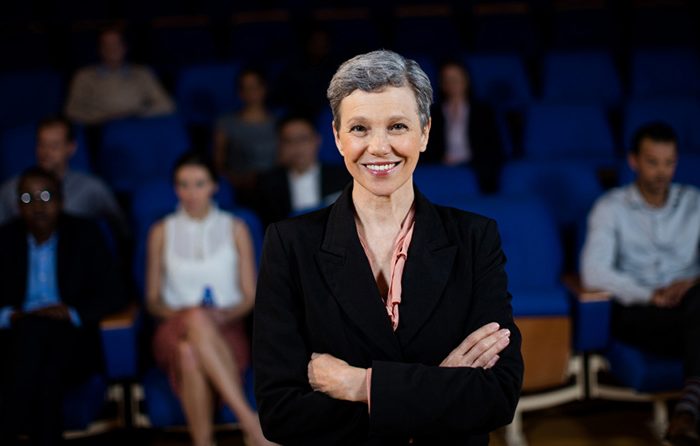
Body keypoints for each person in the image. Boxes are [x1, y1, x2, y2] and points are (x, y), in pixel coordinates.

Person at [253, 50, 523, 445]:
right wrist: (438, 387)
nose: (379, 147)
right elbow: (280, 413)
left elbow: (497, 396)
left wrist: (361, 384)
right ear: (337, 137)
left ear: (425, 132)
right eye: (360, 128)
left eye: (397, 126)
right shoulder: (288, 244)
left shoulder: (475, 238)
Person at [581, 121, 700, 445]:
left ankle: (688, 412)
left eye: (669, 162)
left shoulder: (694, 202)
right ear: (633, 161)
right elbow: (594, 272)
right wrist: (651, 295)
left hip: (692, 306)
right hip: (641, 312)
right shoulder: (611, 207)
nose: (662, 172)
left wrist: (691, 283)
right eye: (652, 162)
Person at [145, 151, 275, 446]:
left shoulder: (236, 228)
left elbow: (250, 295)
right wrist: (191, 315)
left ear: (214, 186)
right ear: (175, 188)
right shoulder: (161, 231)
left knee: (189, 352)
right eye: (183, 184)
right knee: (193, 321)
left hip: (226, 328)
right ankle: (250, 423)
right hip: (172, 328)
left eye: (199, 184)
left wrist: (220, 316)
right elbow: (152, 300)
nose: (191, 193)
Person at [0, 167, 126, 445]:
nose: (38, 206)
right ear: (17, 206)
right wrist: (9, 315)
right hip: (15, 339)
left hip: (71, 338)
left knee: (40, 347)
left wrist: (71, 312)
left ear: (61, 200)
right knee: (41, 360)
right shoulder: (5, 239)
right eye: (27, 198)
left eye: (46, 196)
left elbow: (115, 292)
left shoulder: (85, 234)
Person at [0, 115, 129, 240]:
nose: (46, 152)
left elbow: (122, 229)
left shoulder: (91, 188)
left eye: (54, 145)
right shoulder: (11, 190)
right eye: (42, 144)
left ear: (71, 148)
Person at [254, 113, 351, 227]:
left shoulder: (341, 177)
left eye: (303, 139)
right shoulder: (268, 184)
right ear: (280, 145)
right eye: (289, 141)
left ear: (317, 140)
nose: (297, 146)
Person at [64, 25, 175, 125]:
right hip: (100, 128)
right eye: (106, 44)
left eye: (116, 43)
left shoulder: (142, 73)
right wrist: (103, 118)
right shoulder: (84, 76)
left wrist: (135, 114)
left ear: (125, 47)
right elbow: (72, 111)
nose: (112, 48)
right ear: (100, 49)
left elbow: (166, 105)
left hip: (137, 125)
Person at [423, 60, 504, 194]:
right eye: (447, 79)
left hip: (475, 169)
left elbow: (493, 147)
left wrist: (470, 163)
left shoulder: (483, 111)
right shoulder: (433, 113)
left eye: (457, 78)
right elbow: (427, 147)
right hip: (441, 168)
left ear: (466, 80)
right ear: (442, 84)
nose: (453, 83)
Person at [213, 68, 278, 206]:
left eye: (255, 87)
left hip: (276, 187)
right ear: (240, 93)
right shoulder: (226, 123)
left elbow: (286, 156)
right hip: (241, 189)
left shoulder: (279, 122)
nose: (251, 92)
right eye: (246, 88)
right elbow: (219, 164)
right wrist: (239, 180)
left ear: (264, 89)